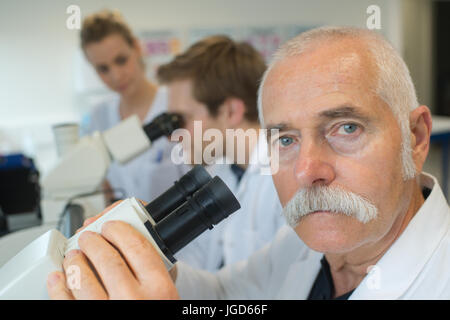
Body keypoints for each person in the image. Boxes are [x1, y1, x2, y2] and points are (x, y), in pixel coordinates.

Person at [47, 26, 450, 300]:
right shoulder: (302, 249)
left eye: (346, 128)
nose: (307, 171)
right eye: (286, 139)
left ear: (416, 137)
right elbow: (225, 295)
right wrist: (147, 265)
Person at [156, 35, 285, 270]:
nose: (174, 135)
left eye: (182, 119)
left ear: (230, 111)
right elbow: (198, 257)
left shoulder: (285, 179)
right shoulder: (223, 170)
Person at [80, 10, 185, 203]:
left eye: (121, 60)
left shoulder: (176, 105)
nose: (116, 76)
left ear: (136, 48)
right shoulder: (98, 119)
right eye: (103, 69)